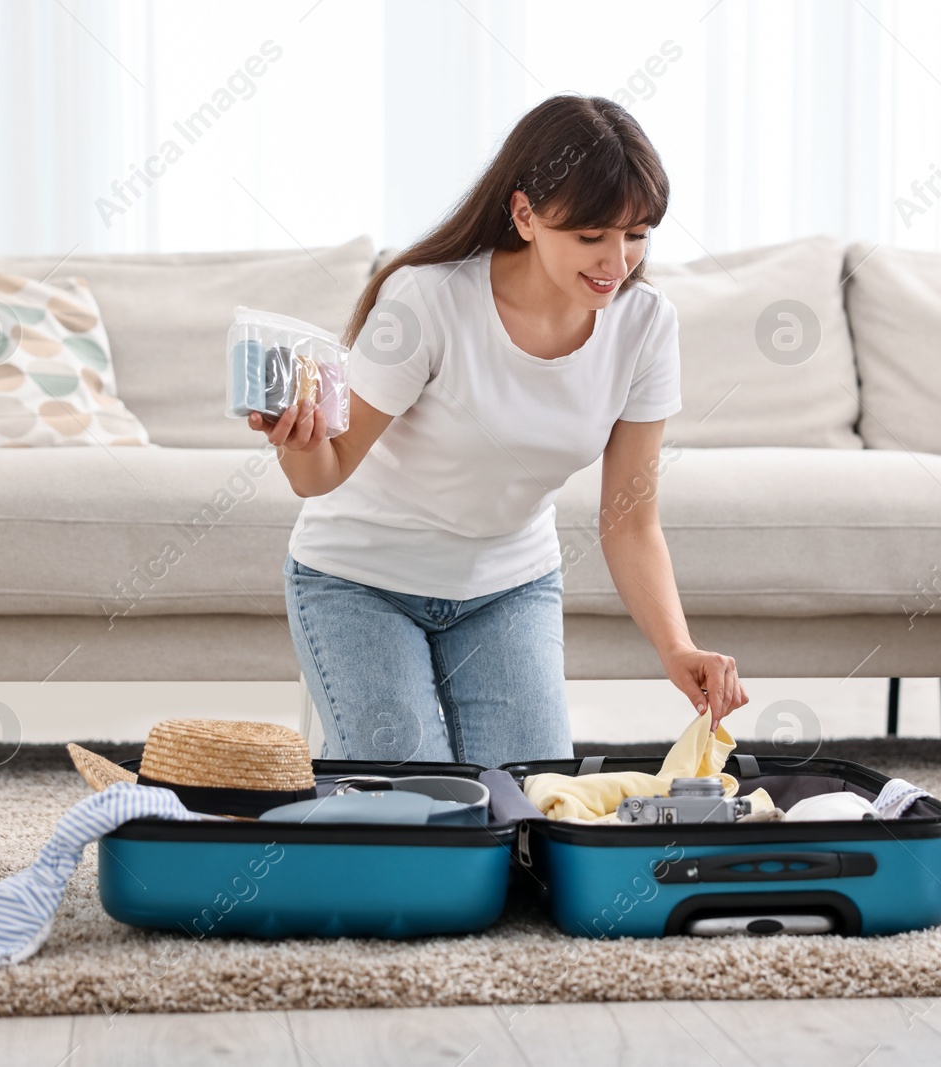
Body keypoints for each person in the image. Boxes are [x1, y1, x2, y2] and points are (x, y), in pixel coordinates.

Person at [253, 93, 748, 768]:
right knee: (421, 816)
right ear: (525, 214)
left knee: (531, 815)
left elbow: (630, 520)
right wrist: (298, 442)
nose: (617, 260)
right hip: (359, 578)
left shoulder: (646, 325)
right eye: (591, 236)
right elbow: (327, 472)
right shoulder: (428, 300)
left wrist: (677, 647)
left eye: (637, 234)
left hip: (508, 586)